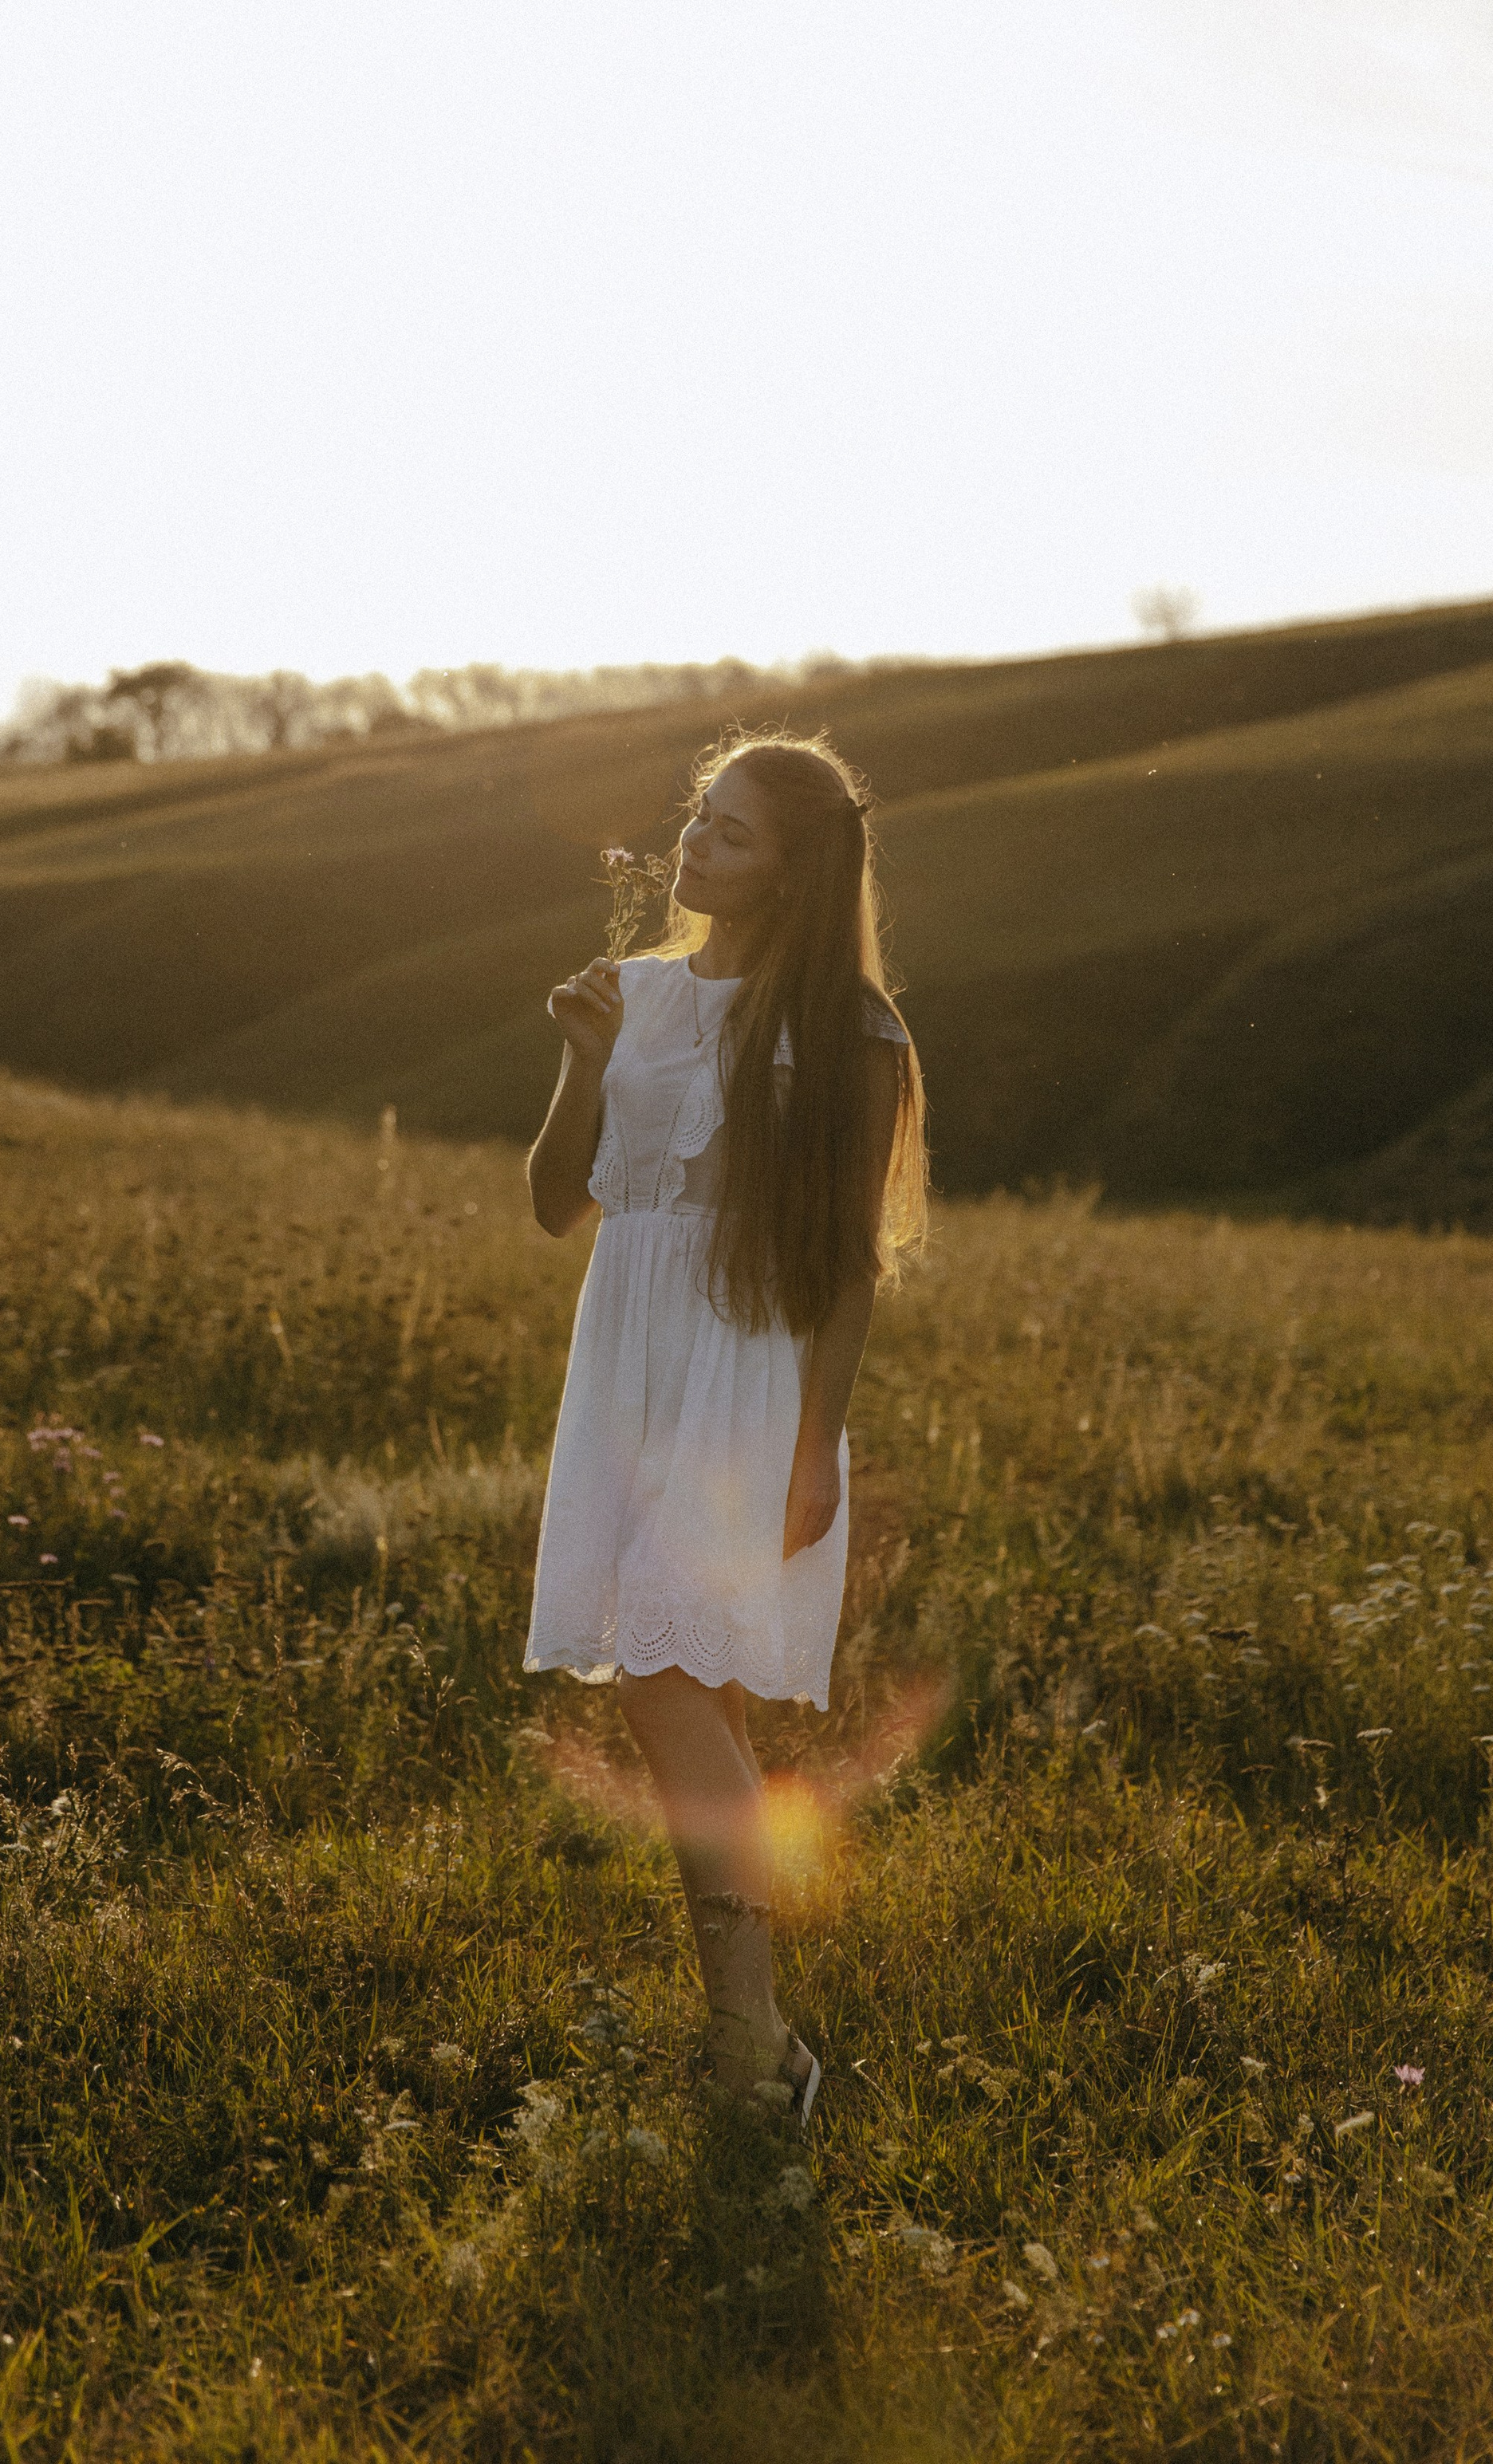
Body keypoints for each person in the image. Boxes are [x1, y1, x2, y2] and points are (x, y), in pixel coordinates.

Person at [523, 730, 928, 2117]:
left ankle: (754, 2045)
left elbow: (846, 1266)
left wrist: (817, 1446)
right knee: (676, 1683)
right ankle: (757, 2041)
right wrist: (583, 1062)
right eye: (701, 816)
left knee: (663, 1680)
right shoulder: (630, 994)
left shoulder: (852, 1033)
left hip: (747, 1372)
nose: (696, 844)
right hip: (627, 1366)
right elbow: (557, 1202)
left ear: (797, 873)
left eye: (734, 833)